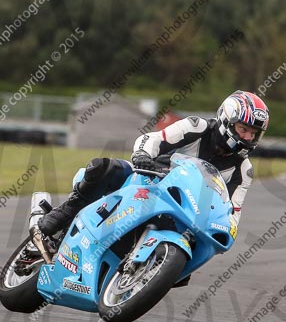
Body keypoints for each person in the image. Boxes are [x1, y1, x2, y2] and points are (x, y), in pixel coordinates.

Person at [31, 91, 270, 251]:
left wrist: (225, 229)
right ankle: (56, 219)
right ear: (226, 121)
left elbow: (232, 213)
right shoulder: (196, 127)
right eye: (243, 129)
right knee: (102, 168)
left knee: (201, 249)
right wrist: (143, 156)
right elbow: (153, 139)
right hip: (147, 181)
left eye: (253, 133)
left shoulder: (244, 171)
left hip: (184, 213)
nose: (247, 137)